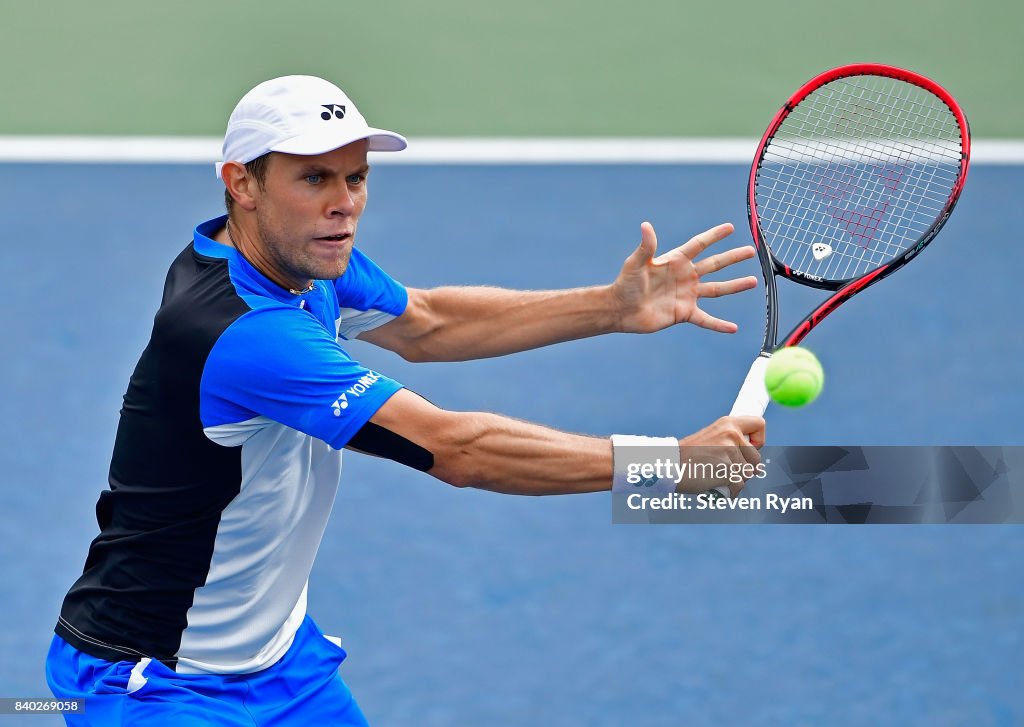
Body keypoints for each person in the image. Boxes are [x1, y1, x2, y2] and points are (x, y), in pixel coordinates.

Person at [46, 75, 766, 726]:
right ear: (242, 182)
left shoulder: (297, 259)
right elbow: (459, 449)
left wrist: (610, 306)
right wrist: (671, 463)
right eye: (316, 178)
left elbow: (428, 322)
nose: (344, 203)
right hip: (147, 680)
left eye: (357, 177)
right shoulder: (242, 331)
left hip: (276, 664)